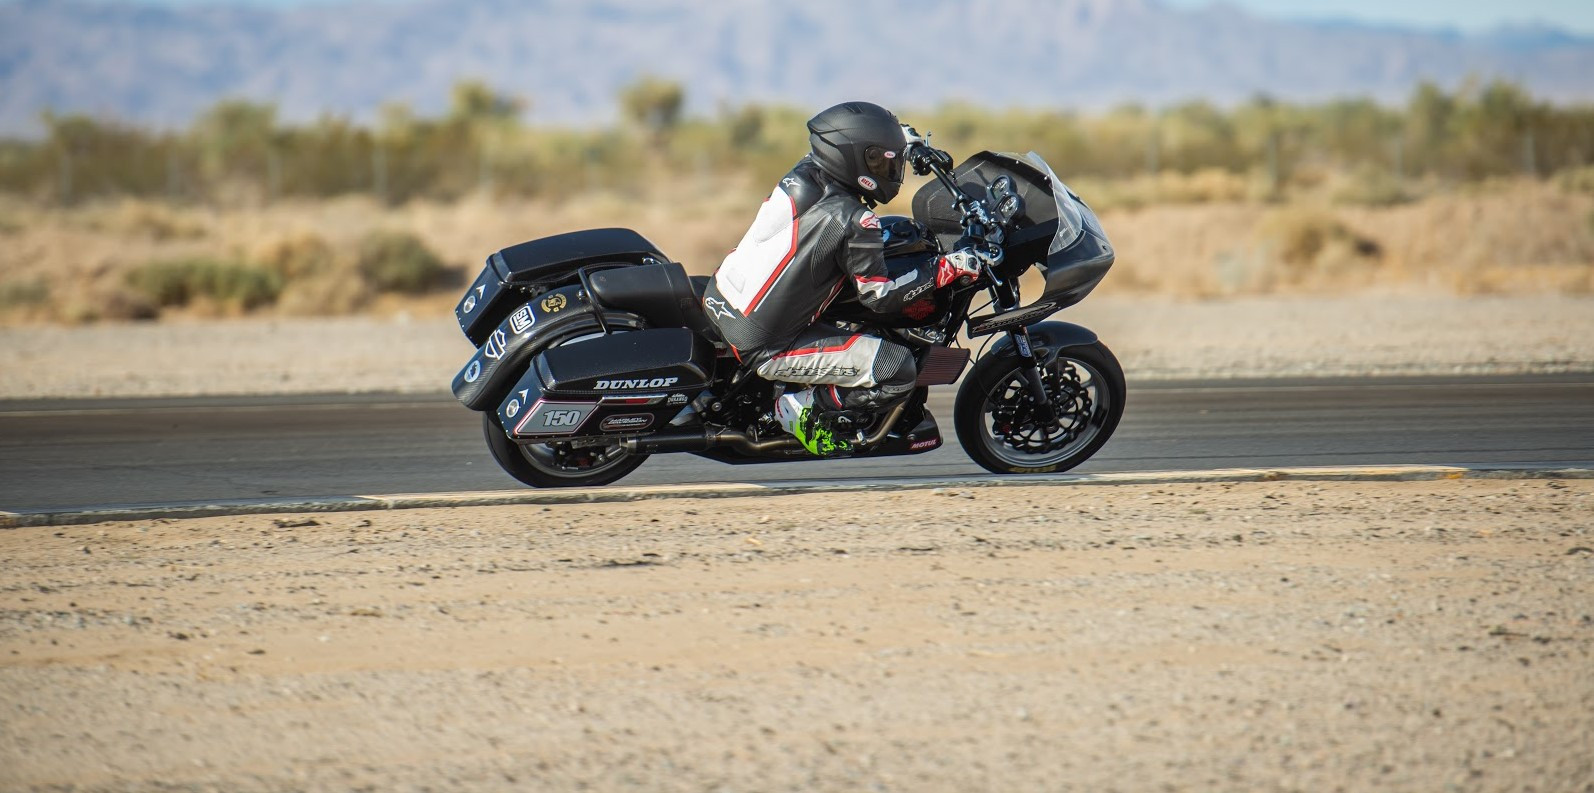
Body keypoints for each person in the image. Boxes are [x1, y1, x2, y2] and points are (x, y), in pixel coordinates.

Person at [701, 101, 980, 455]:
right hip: (768, 344)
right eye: (882, 160)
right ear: (858, 162)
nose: (892, 169)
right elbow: (880, 297)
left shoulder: (804, 173)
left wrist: (903, 143)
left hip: (723, 298)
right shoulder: (855, 221)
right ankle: (803, 409)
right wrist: (950, 267)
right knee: (897, 369)